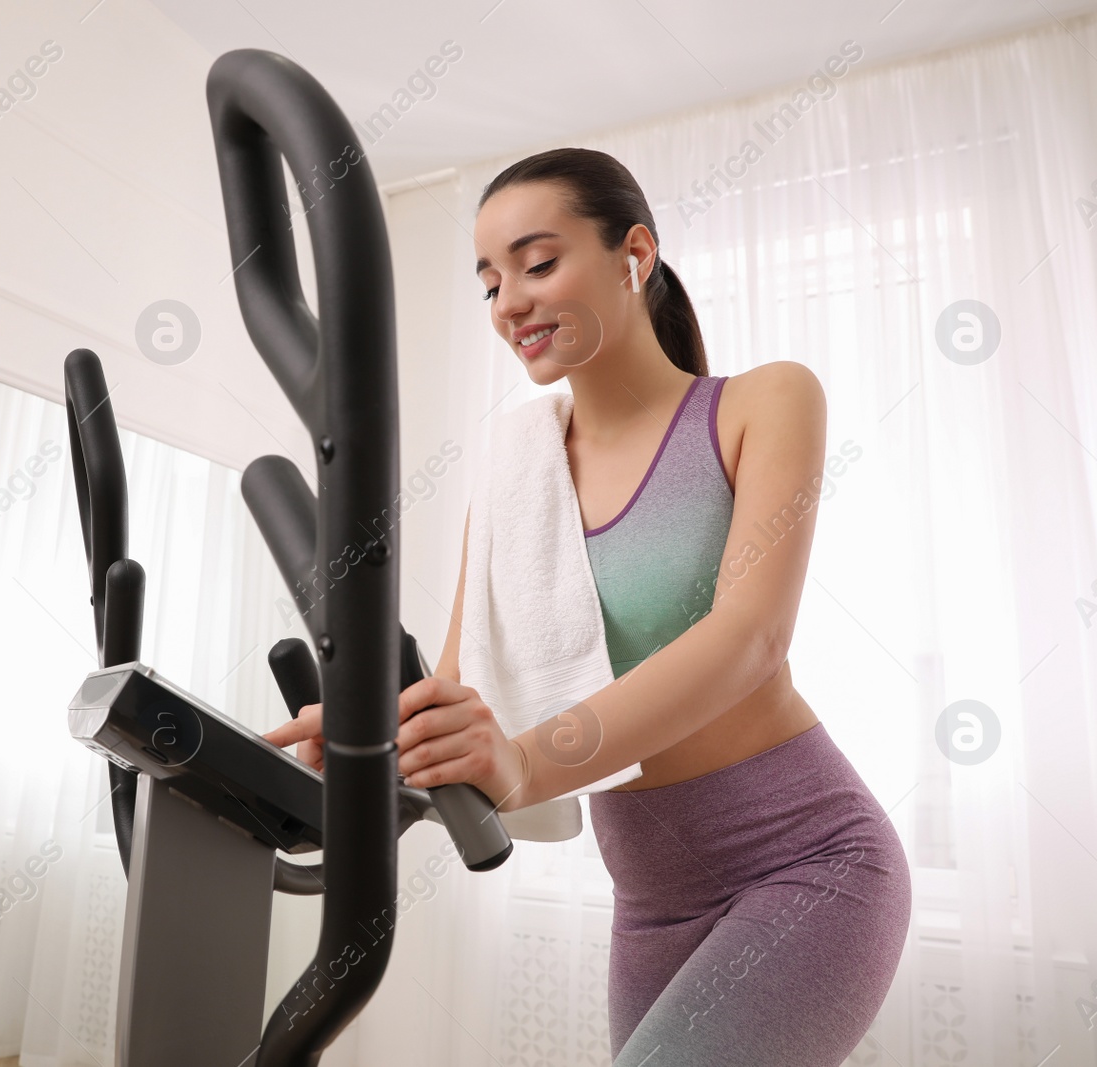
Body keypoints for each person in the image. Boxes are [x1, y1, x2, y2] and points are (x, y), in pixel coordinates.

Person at [263, 147, 910, 1067]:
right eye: (490, 282)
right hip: (650, 897)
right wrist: (372, 741)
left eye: (536, 263)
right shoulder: (516, 462)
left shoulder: (760, 402)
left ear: (633, 254)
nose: (509, 303)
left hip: (807, 861)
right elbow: (459, 682)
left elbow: (750, 638)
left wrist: (525, 762)